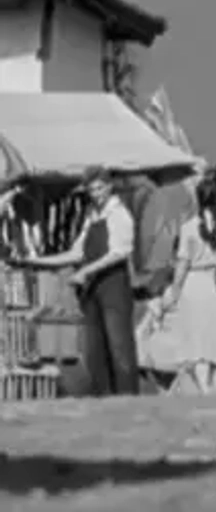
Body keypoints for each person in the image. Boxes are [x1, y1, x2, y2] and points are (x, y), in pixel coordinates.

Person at [25, 167, 141, 396]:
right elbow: (76, 252)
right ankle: (103, 397)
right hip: (92, 288)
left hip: (113, 285)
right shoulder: (91, 216)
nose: (96, 193)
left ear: (109, 187)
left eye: (99, 188)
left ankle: (128, 398)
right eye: (92, 189)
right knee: (95, 348)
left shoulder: (119, 215)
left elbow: (120, 252)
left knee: (120, 348)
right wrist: (39, 261)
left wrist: (86, 271)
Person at [143, 175, 216, 393]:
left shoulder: (189, 227)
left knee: (199, 342)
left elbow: (183, 263)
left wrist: (175, 290)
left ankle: (204, 389)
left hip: (194, 284)